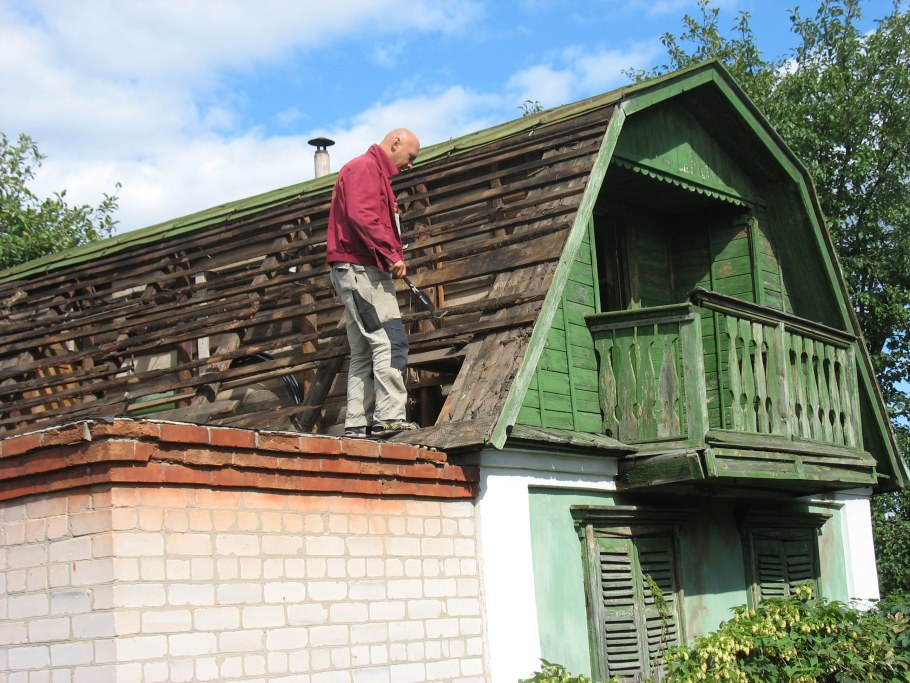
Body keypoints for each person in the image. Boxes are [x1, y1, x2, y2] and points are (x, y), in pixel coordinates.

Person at [326, 128, 421, 438]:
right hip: (362, 271)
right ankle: (389, 417)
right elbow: (363, 215)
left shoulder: (368, 171)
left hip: (354, 270)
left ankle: (357, 424)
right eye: (410, 156)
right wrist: (391, 254)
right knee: (390, 341)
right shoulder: (365, 168)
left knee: (364, 350)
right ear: (396, 143)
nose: (410, 164)